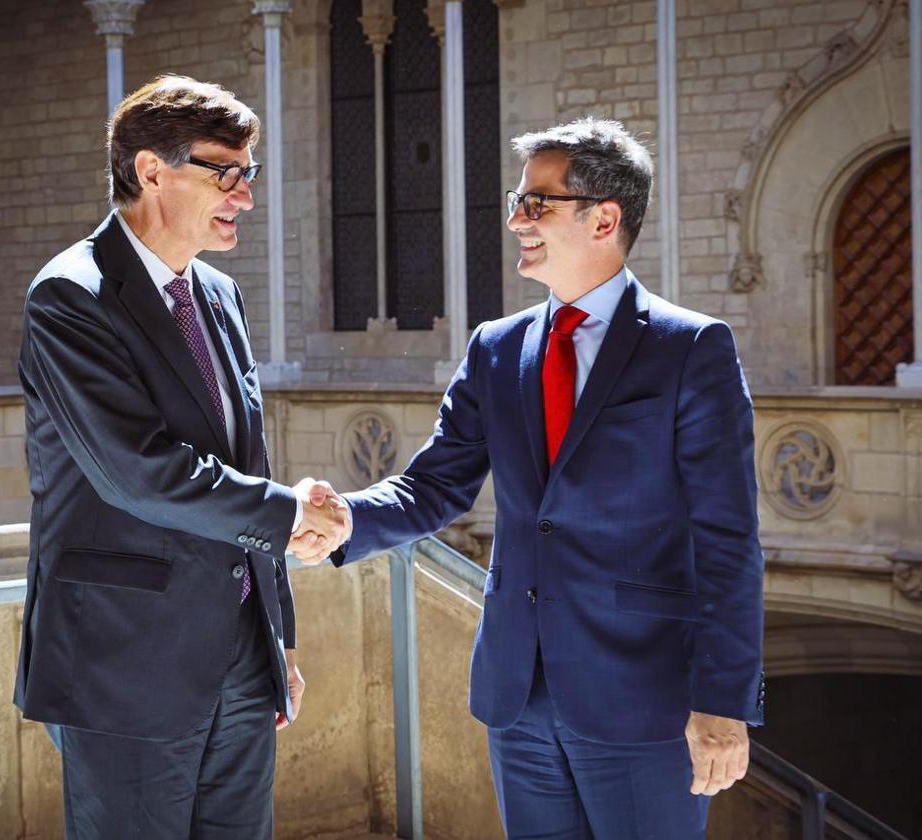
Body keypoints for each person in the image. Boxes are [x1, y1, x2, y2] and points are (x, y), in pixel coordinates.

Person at [297, 117, 765, 839]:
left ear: (604, 218)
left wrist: (724, 702)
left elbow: (729, 541)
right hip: (517, 695)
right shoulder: (496, 347)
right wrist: (348, 519)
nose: (517, 218)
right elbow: (436, 484)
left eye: (537, 203)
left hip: (644, 700)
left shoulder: (691, 349)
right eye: (519, 201)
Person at [13, 75, 348, 840]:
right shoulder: (71, 297)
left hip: (239, 661)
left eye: (248, 175)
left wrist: (275, 641)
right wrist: (288, 513)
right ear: (150, 170)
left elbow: (244, 460)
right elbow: (139, 471)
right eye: (223, 173)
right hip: (125, 664)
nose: (244, 196)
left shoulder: (221, 296)